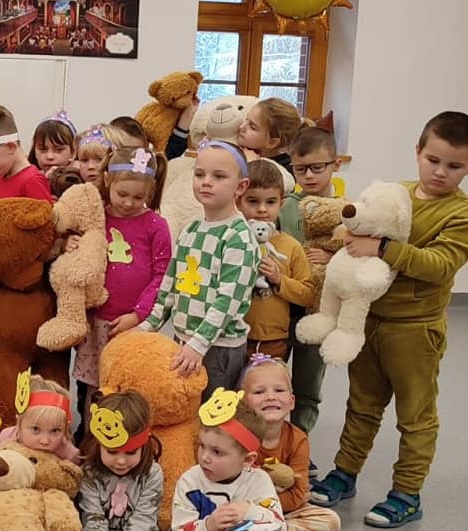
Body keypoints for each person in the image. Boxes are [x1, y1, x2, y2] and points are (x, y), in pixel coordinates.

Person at [311, 111, 468, 528]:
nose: (441, 172)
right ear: (418, 152)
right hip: (368, 320)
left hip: (415, 330)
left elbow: (439, 265)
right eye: (433, 160)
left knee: (416, 416)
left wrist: (382, 248)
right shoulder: (395, 193)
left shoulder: (461, 214)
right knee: (361, 405)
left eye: (455, 166)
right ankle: (345, 473)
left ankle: (407, 493)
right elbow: (356, 225)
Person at [139, 140, 258, 396]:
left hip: (218, 348)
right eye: (200, 174)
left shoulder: (238, 237)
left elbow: (227, 301)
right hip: (184, 341)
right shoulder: (191, 229)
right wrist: (149, 325)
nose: (206, 182)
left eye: (219, 176)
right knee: (184, 409)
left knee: (211, 416)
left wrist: (198, 344)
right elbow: (170, 285)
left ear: (241, 187)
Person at [73, 147, 169, 427]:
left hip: (132, 326)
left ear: (150, 192)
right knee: (95, 388)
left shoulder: (155, 225)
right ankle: (92, 438)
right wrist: (69, 243)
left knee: (129, 387)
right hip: (96, 321)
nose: (128, 203)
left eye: (138, 197)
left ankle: (129, 438)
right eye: (122, 194)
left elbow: (162, 275)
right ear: (107, 181)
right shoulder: (96, 219)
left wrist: (138, 315)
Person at [275, 127, 342, 434]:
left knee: (308, 384)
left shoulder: (347, 210)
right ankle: (269, 440)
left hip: (320, 312)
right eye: (301, 169)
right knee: (269, 377)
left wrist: (332, 258)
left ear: (335, 164)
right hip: (283, 307)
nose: (309, 176)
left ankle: (300, 439)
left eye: (318, 167)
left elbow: (358, 253)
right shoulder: (285, 205)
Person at [241, 356, 340, 531]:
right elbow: (236, 490)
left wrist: (267, 507)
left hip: (281, 510)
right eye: (259, 392)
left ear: (292, 401)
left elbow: (299, 494)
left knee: (330, 519)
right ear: (243, 403)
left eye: (279, 390)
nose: (270, 397)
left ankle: (277, 528)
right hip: (244, 511)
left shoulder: (298, 439)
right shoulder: (240, 438)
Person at [171, 395, 285, 530]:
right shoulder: (190, 481)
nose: (204, 457)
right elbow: (178, 528)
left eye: (217, 452)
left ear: (247, 460)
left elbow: (279, 524)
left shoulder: (259, 481)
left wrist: (250, 512)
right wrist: (207, 525)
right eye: (202, 445)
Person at [238, 160, 313, 361]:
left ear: (282, 203)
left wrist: (279, 279)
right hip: (232, 337)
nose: (262, 209)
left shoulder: (291, 246)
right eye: (253, 201)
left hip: (274, 340)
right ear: (238, 200)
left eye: (270, 202)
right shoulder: (232, 240)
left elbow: (308, 294)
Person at [78, 390, 164, 531]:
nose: (121, 461)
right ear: (98, 445)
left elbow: (144, 520)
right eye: (112, 452)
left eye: (131, 452)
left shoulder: (152, 474)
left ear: (143, 447)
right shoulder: (89, 473)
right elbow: (93, 520)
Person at [0, 375, 79, 462]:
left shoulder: (68, 452)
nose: (45, 441)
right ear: (19, 423)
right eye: (36, 429)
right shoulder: (6, 438)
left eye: (55, 431)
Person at [238, 98, 302, 170]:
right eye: (246, 119)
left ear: (272, 143)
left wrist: (252, 164)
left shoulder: (283, 169)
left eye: (252, 127)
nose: (241, 127)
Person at [30, 110, 78, 176]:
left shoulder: (84, 178)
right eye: (43, 149)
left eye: (58, 150)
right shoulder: (28, 178)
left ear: (73, 152)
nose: (50, 156)